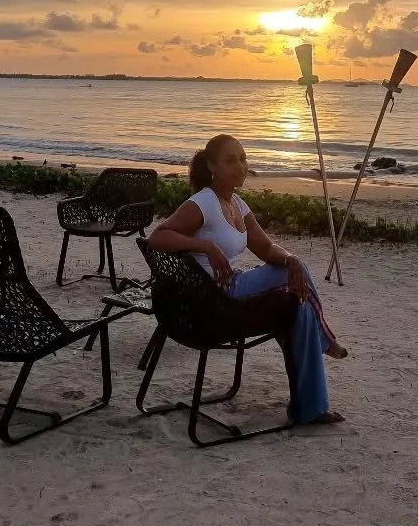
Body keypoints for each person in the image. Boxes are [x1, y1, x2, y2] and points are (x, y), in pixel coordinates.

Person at [147, 133, 346, 426]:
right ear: (212, 166)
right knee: (293, 273)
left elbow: (265, 248)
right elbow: (157, 238)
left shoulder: (237, 204)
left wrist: (290, 257)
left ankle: (310, 409)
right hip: (213, 302)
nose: (240, 166)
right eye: (230, 161)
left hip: (232, 292)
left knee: (299, 305)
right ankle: (324, 339)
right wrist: (206, 246)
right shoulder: (202, 203)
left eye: (242, 159)